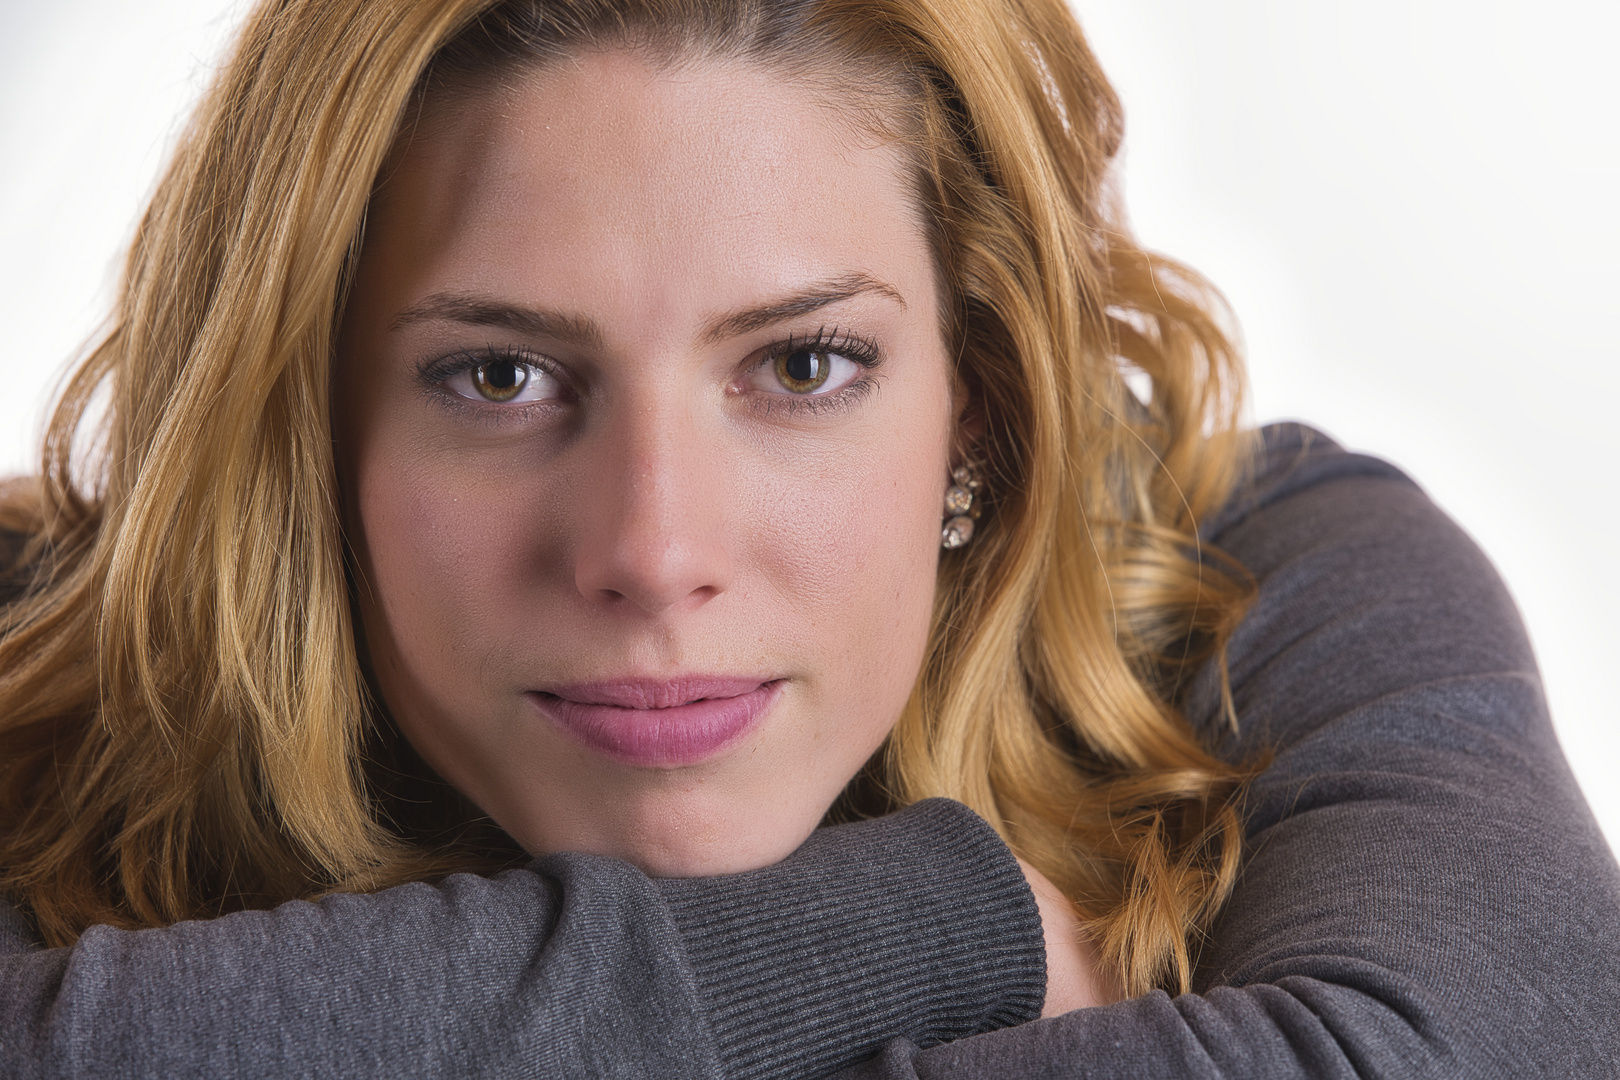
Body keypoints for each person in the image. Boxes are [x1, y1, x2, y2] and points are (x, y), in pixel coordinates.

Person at [0, 0, 1614, 1077]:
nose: (651, 547)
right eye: (499, 375)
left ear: (978, 400)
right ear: (309, 418)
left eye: (801, 365)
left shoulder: (1262, 576)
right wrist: (934, 925)